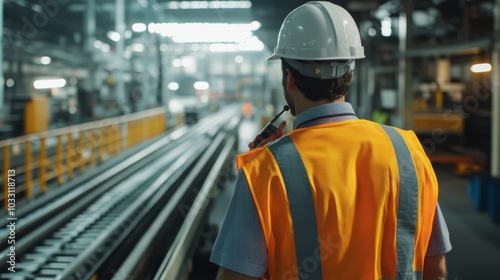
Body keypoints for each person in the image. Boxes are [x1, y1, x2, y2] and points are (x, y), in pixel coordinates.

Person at [210, 1, 451, 279]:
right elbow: (437, 270)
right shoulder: (408, 151)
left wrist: (265, 162)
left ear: (289, 79)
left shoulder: (263, 172)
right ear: (350, 75)